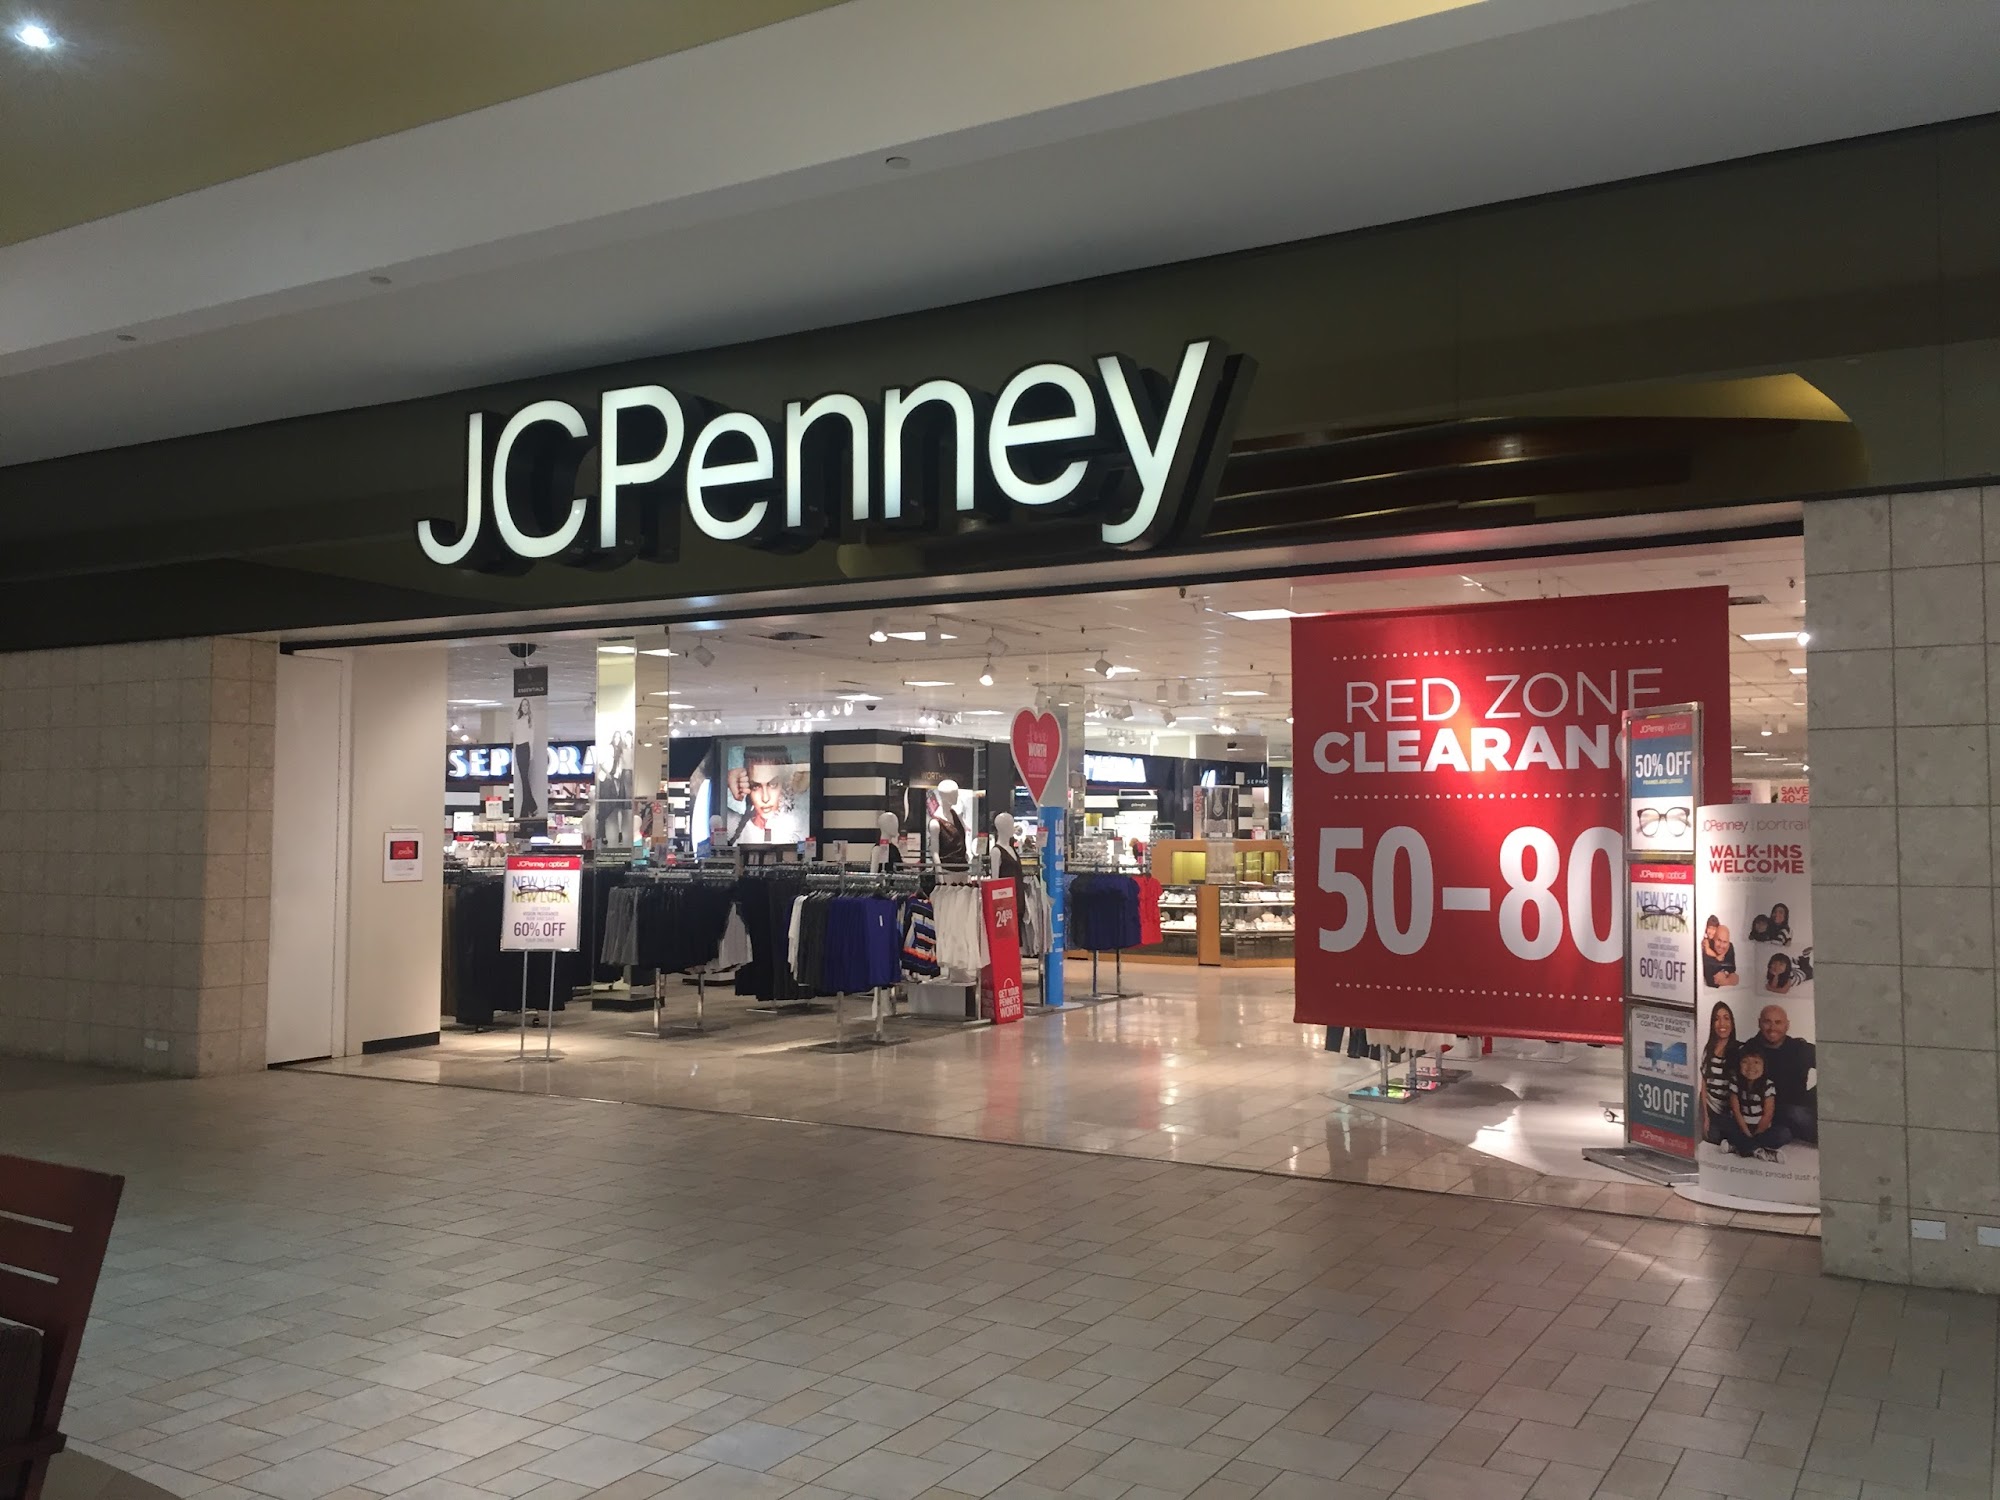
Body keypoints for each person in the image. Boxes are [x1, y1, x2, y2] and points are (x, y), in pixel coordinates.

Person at [1751, 1004, 1817, 1144]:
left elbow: (1834, 1066)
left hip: (1797, 1108)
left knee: (1796, 1115)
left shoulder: (1800, 1048)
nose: (1772, 1028)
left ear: (1787, 1025)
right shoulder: (1750, 1050)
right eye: (1767, 1022)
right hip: (1763, 1111)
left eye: (1778, 1022)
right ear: (1759, 1023)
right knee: (1785, 1130)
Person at [1723, 1048, 1789, 1160]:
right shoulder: (1735, 1081)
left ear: (1764, 1066)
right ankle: (1758, 1150)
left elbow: (1768, 1114)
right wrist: (1747, 1134)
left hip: (1761, 1128)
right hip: (1742, 1126)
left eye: (1756, 1062)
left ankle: (1740, 1147)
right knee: (1724, 1122)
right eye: (1745, 1062)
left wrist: (1757, 1135)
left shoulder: (1768, 1084)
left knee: (1784, 1133)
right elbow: (1736, 1111)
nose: (1751, 1066)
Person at [729, 745, 803, 843]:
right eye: (755, 786)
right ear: (747, 786)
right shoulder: (734, 827)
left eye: (773, 784)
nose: (765, 798)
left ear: (784, 783)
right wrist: (726, 777)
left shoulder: (799, 828)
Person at [1700, 1001, 1739, 1145]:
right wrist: (1705, 1117)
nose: (1722, 1023)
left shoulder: (1738, 1049)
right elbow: (1704, 1083)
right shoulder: (1708, 1048)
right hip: (1710, 1108)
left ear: (1732, 1023)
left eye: (1726, 1018)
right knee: (1710, 1135)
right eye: (1717, 1019)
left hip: (1729, 1111)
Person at [1701, 916, 1739, 988]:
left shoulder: (1729, 946)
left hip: (1726, 983)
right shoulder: (1706, 945)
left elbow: (1732, 969)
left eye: (1714, 929)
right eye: (1719, 940)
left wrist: (1725, 975)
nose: (1721, 945)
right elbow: (1710, 976)